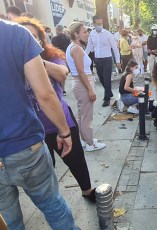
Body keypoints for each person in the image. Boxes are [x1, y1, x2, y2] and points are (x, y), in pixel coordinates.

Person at [0, 18, 78, 230]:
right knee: (52, 204)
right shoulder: (15, 33)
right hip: (26, 145)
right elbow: (45, 94)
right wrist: (64, 131)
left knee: (9, 220)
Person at [17, 17, 97, 203]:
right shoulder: (10, 63)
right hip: (32, 129)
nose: (29, 40)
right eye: (24, 37)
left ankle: (87, 190)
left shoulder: (50, 57)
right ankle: (53, 200)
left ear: (41, 40)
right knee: (45, 169)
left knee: (76, 160)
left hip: (60, 122)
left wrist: (30, 57)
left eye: (33, 37)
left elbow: (63, 73)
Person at [67, 22, 106, 152]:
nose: (87, 34)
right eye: (84, 32)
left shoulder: (74, 47)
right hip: (82, 83)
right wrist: (89, 89)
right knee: (87, 116)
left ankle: (85, 140)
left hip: (80, 83)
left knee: (82, 115)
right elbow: (81, 71)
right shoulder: (76, 48)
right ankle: (89, 143)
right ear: (76, 34)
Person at [85, 15, 121, 107]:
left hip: (107, 59)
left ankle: (106, 99)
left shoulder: (107, 34)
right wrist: (83, 56)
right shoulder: (92, 34)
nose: (100, 25)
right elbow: (89, 46)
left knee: (107, 79)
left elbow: (115, 48)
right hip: (97, 59)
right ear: (94, 24)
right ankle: (109, 92)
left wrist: (118, 61)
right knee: (101, 79)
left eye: (101, 23)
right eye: (98, 24)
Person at [52, 24, 71, 96]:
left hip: (57, 58)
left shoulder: (54, 39)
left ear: (57, 30)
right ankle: (63, 90)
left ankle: (59, 89)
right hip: (65, 57)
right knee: (63, 74)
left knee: (57, 74)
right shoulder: (67, 38)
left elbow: (53, 49)